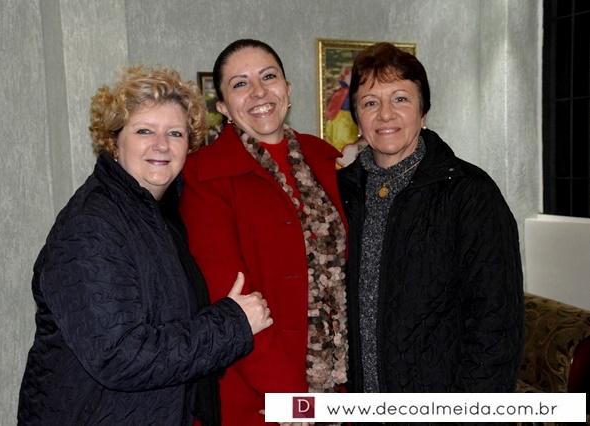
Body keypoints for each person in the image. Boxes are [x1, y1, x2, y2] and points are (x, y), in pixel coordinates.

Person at [17, 65, 273, 426]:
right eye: (144, 131)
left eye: (175, 133)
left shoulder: (165, 215)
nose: (161, 145)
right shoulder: (92, 224)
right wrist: (232, 324)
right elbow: (119, 356)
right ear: (114, 141)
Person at [337, 42, 525, 399]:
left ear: (423, 112)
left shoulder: (470, 193)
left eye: (400, 99)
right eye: (371, 102)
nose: (385, 114)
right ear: (357, 119)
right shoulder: (339, 194)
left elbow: (497, 324)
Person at [179, 39, 349, 425]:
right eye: (240, 84)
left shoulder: (325, 159)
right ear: (223, 107)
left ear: (287, 89)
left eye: (268, 77)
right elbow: (229, 299)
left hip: (336, 384)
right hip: (260, 392)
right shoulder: (204, 176)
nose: (258, 91)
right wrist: (290, 399)